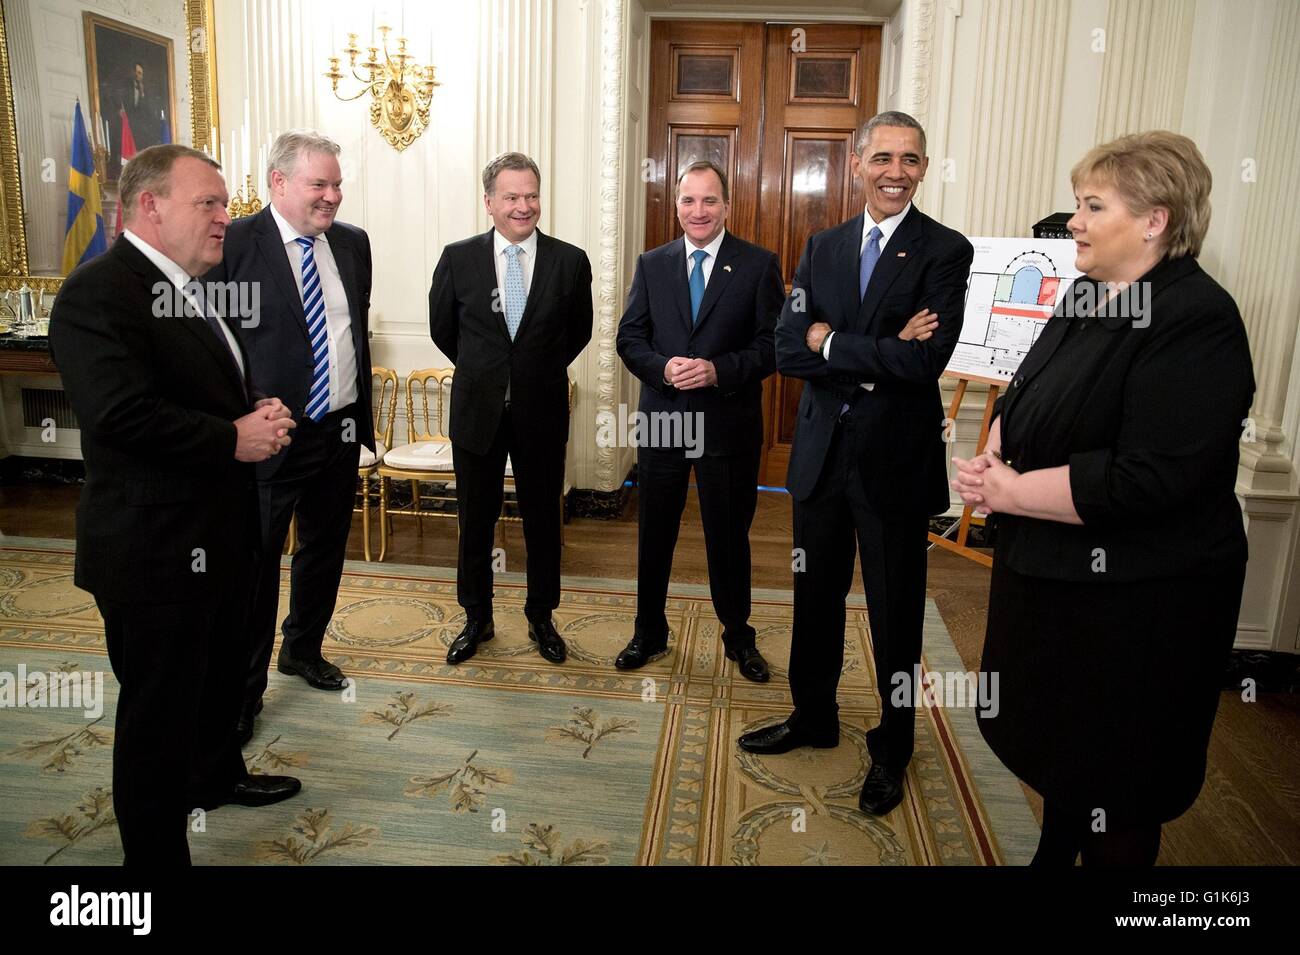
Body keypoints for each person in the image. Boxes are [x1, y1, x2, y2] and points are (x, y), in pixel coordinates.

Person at [952, 130, 1254, 866]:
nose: (1074, 221)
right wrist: (995, 450)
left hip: (1141, 609)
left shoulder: (1197, 319)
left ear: (1154, 219)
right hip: (1059, 586)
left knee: (1118, 781)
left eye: (1092, 205)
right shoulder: (1089, 290)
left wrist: (1012, 489)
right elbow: (1029, 396)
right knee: (1067, 762)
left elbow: (1145, 479)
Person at [49, 144, 302, 865]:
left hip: (218, 538)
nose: (228, 216)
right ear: (150, 206)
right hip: (152, 551)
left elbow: (194, 390)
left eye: (225, 203)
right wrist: (231, 437)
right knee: (157, 722)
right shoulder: (97, 292)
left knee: (217, 685)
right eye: (210, 203)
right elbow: (120, 415)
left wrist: (254, 410)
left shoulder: (194, 285)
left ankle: (217, 776)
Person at [738, 111, 973, 820]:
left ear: (924, 169)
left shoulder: (944, 251)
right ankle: (814, 715)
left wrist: (832, 341)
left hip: (893, 465)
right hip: (819, 460)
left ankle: (893, 745)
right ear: (856, 164)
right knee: (815, 599)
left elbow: (925, 358)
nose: (895, 171)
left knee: (897, 612)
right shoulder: (823, 247)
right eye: (882, 158)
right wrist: (874, 347)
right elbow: (786, 348)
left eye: (909, 159)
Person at [204, 131, 373, 744]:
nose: (332, 196)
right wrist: (246, 410)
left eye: (336, 184)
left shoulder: (352, 245)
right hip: (271, 436)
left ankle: (302, 649)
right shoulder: (235, 245)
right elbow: (213, 345)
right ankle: (242, 696)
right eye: (319, 185)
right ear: (278, 183)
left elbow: (353, 332)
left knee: (324, 549)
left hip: (339, 429)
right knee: (255, 566)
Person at [614, 160, 783, 681]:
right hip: (663, 421)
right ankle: (649, 632)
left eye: (710, 201)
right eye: (689, 200)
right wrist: (665, 368)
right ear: (677, 205)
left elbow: (774, 345)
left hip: (727, 425)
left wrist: (717, 371)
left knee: (728, 537)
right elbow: (630, 338)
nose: (699, 211)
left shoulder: (757, 265)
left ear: (727, 206)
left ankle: (738, 637)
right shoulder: (653, 264)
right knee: (654, 533)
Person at [429, 152, 593, 664]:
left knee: (544, 521)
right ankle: (476, 617)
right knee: (474, 520)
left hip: (541, 412)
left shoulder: (570, 261)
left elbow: (578, 332)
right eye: (512, 196)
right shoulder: (458, 258)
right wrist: (490, 372)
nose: (524, 207)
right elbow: (443, 329)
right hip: (477, 414)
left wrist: (527, 373)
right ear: (489, 202)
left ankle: (542, 617)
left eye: (531, 196)